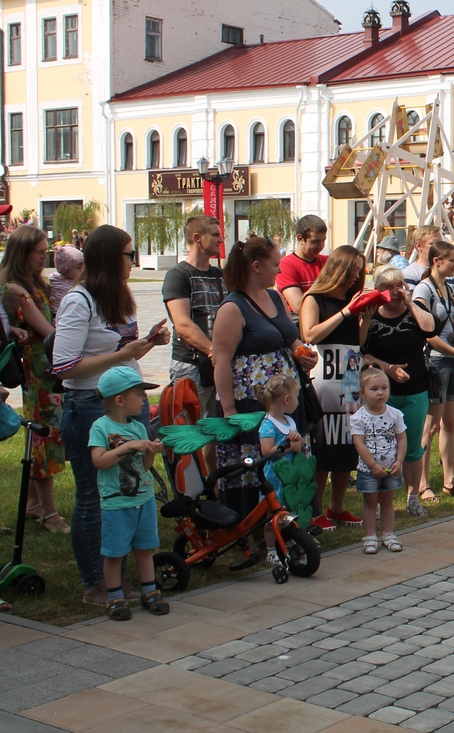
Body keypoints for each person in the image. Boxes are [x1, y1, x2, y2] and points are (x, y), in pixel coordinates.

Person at [53, 225, 170, 606]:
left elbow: (122, 352)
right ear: (109, 258)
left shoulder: (119, 296)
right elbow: (64, 366)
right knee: (94, 495)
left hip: (126, 404)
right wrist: (124, 354)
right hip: (90, 406)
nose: (133, 261)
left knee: (130, 488)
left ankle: (120, 577)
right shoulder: (78, 301)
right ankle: (96, 584)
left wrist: (147, 343)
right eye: (129, 254)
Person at [210, 236, 316, 534]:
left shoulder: (274, 297)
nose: (279, 270)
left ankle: (293, 522)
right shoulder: (233, 308)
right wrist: (229, 411)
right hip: (251, 404)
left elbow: (290, 337)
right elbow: (221, 361)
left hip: (285, 399)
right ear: (256, 266)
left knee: (291, 452)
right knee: (259, 459)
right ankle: (255, 527)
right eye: (275, 264)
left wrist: (303, 352)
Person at [89, 366, 169, 621]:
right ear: (120, 400)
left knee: (145, 548)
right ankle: (114, 597)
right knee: (114, 553)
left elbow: (144, 466)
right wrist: (128, 446)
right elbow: (99, 461)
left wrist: (150, 451)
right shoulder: (101, 427)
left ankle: (149, 591)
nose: (144, 398)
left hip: (143, 499)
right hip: (117, 503)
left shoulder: (138, 427)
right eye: (139, 393)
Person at [0, 224, 66, 531]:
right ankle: (49, 513)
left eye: (45, 251)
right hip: (38, 373)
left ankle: (32, 504)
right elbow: (47, 330)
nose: (44, 257)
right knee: (44, 439)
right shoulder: (16, 289)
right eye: (38, 252)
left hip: (46, 370)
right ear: (22, 253)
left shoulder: (34, 284)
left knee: (42, 435)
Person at [299, 245, 369, 529]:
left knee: (346, 445)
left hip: (350, 379)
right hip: (324, 380)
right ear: (340, 268)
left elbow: (358, 341)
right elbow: (310, 334)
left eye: (360, 271)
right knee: (322, 446)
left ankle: (336, 507)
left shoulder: (351, 299)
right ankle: (315, 509)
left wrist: (366, 316)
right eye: (354, 270)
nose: (356, 276)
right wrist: (346, 311)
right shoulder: (314, 298)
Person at [361, 266, 437, 514]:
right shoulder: (372, 315)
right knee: (381, 447)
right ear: (377, 290)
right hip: (382, 394)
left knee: (412, 447)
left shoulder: (414, 309)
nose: (394, 291)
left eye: (399, 286)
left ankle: (413, 498)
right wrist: (388, 368)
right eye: (388, 287)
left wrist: (410, 303)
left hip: (415, 390)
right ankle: (381, 501)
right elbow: (363, 351)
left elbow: (430, 329)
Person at [412, 241, 454, 495]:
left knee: (449, 424)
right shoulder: (424, 289)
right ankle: (422, 483)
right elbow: (427, 333)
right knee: (431, 425)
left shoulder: (447, 287)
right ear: (437, 261)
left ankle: (450, 479)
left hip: (453, 360)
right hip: (436, 360)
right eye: (452, 261)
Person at [163, 215, 226, 416]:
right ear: (197, 238)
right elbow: (183, 324)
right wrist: (213, 351)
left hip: (220, 364)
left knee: (217, 426)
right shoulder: (178, 275)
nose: (221, 240)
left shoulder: (221, 275)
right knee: (189, 425)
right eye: (215, 235)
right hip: (191, 364)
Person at [350, 367, 407, 555]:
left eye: (384, 388)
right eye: (374, 389)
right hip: (369, 470)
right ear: (362, 393)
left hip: (392, 467)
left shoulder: (395, 414)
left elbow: (401, 439)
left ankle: (388, 534)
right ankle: (370, 536)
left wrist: (399, 461)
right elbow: (359, 443)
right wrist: (373, 465)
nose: (380, 393)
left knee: (387, 501)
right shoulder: (359, 418)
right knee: (370, 502)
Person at [256, 375, 304, 502]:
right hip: (275, 479)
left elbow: (301, 444)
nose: (298, 401)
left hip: (290, 475)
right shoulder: (268, 425)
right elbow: (266, 451)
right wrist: (291, 447)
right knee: (277, 505)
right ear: (287, 399)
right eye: (296, 397)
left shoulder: (289, 421)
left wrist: (298, 438)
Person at [276, 215, 328, 316]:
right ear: (300, 239)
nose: (321, 246)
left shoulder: (328, 262)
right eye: (315, 241)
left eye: (323, 240)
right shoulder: (286, 265)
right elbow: (298, 306)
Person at [49, 244, 83, 314]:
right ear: (65, 271)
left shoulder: (56, 280)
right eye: (78, 268)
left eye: (84, 267)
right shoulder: (64, 287)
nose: (82, 271)